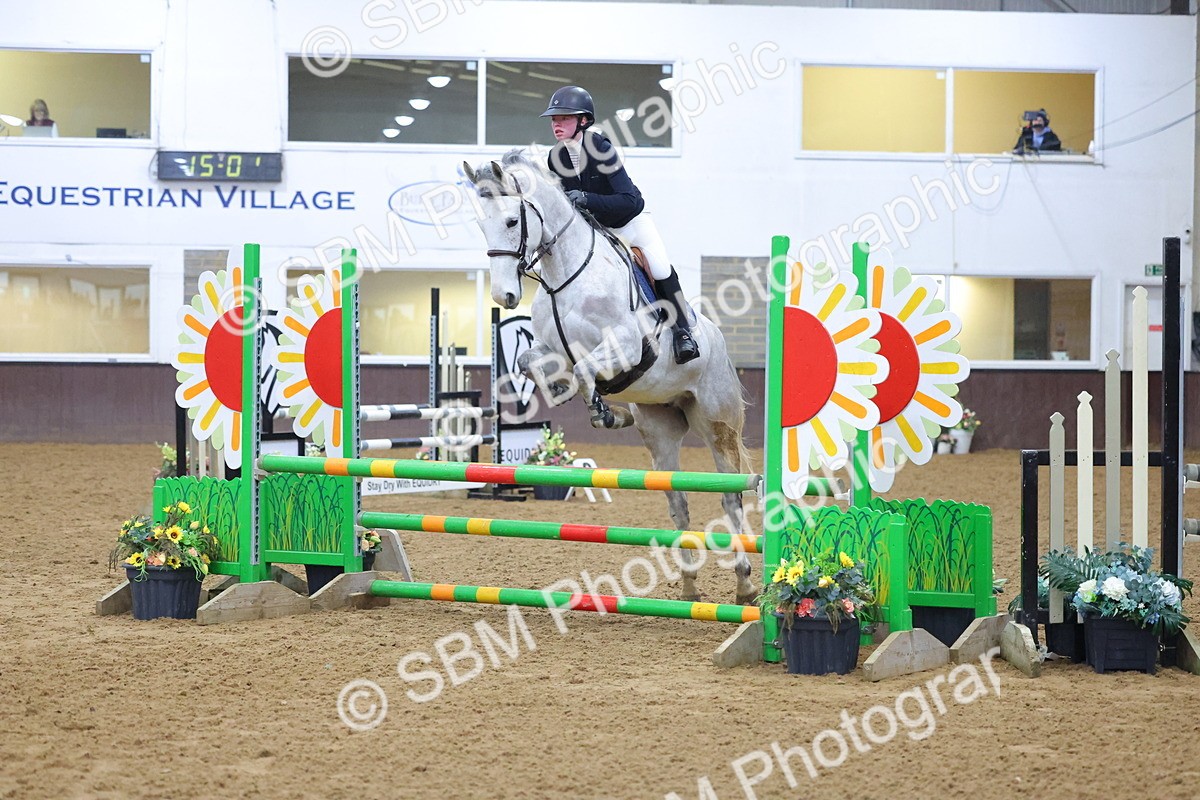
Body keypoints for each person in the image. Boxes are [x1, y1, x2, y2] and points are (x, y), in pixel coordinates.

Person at [540, 85, 699, 365]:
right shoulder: (555, 157)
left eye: (564, 118)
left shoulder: (600, 147)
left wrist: (587, 198)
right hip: (596, 234)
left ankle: (682, 333)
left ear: (583, 121)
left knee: (659, 266)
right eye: (554, 119)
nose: (557, 124)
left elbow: (629, 200)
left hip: (629, 223)